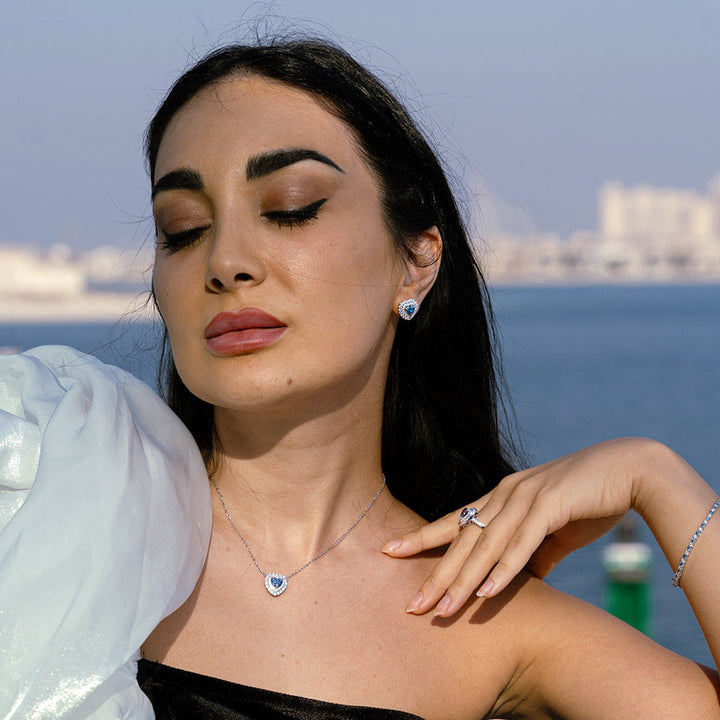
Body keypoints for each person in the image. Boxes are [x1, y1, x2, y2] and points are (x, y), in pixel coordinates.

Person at [2, 38, 719, 719]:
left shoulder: (491, 622)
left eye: (290, 208)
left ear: (416, 260)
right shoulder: (50, 486)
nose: (225, 261)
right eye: (183, 228)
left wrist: (656, 478)